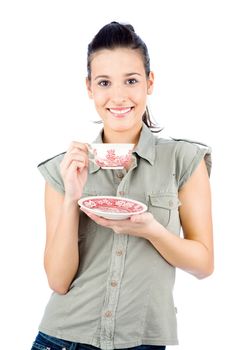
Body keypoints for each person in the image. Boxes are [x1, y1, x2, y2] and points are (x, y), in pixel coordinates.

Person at [31, 21, 214, 350]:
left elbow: (203, 264)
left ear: (150, 82)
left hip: (143, 341)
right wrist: (73, 196)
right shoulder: (65, 169)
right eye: (104, 82)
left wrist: (151, 230)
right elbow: (58, 281)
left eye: (131, 80)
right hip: (63, 339)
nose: (118, 96)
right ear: (89, 88)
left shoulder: (184, 159)